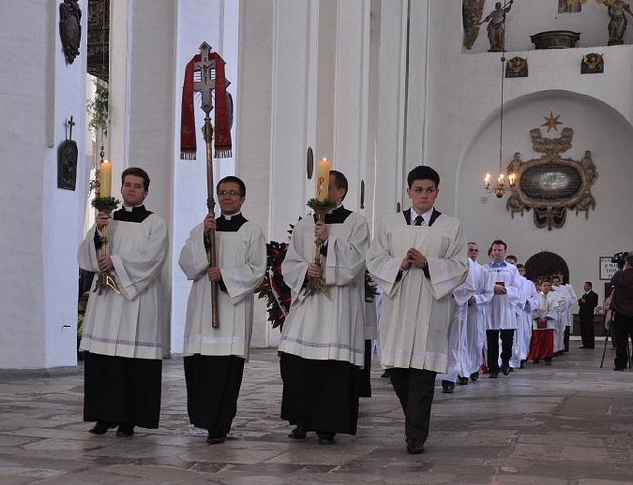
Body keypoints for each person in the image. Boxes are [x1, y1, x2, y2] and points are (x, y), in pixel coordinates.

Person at [366, 165, 468, 455]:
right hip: (398, 307)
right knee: (398, 373)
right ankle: (414, 420)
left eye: (430, 190)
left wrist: (428, 264)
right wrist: (399, 263)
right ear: (409, 191)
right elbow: (374, 259)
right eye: (418, 190)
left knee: (423, 376)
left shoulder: (451, 226)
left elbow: (461, 266)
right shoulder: (389, 224)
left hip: (430, 307)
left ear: (437, 192)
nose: (424, 195)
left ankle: (415, 436)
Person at [279, 170, 369, 446]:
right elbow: (289, 262)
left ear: (341, 191)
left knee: (332, 368)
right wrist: (306, 270)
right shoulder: (305, 224)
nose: (323, 194)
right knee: (297, 362)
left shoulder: (356, 222)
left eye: (328, 188)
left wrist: (329, 241)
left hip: (337, 310)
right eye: (320, 188)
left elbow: (355, 263)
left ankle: (327, 426)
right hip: (308, 305)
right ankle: (302, 420)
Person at [77, 167, 168, 437]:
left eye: (137, 186)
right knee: (105, 361)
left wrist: (115, 261)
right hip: (107, 301)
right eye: (127, 184)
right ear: (120, 189)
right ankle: (104, 417)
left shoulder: (155, 223)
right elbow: (85, 255)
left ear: (145, 192)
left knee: (133, 363)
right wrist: (97, 234)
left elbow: (154, 258)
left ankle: (130, 418)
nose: (131, 189)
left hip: (136, 300)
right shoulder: (107, 220)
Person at [179, 176, 266, 444]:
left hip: (232, 312)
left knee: (226, 373)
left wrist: (225, 275)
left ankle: (220, 425)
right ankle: (204, 420)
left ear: (242, 198)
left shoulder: (252, 231)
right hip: (204, 309)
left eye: (232, 193)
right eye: (222, 192)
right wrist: (205, 239)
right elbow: (186, 264)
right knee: (202, 369)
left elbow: (257, 270)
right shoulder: (203, 229)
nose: (226, 197)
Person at [440, 242, 493, 394]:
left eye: (476, 250)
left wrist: (473, 298)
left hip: (465, 308)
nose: (473, 252)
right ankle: (457, 372)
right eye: (471, 250)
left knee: (469, 342)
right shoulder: (445, 263)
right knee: (448, 343)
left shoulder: (479, 270)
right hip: (443, 306)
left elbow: (477, 289)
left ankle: (466, 370)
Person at [483, 240, 521, 378]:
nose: (497, 253)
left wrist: (505, 290)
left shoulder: (512, 269)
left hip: (506, 307)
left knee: (507, 339)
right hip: (491, 308)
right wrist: (492, 288)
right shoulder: (484, 269)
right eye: (494, 250)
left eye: (500, 250)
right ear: (491, 251)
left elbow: (517, 288)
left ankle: (505, 361)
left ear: (505, 251)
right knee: (491, 339)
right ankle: (493, 368)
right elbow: (481, 287)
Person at [610, 252, 633, 371]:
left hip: (622, 312)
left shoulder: (619, 275)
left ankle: (621, 364)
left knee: (621, 340)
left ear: (626, 264)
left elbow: (613, 282)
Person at [529, 277, 561, 366]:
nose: (546, 287)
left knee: (548, 340)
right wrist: (538, 318)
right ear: (540, 286)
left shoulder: (553, 296)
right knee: (537, 340)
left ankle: (548, 357)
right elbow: (533, 308)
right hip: (537, 321)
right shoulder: (536, 296)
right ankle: (536, 356)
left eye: (548, 286)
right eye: (544, 285)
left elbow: (554, 308)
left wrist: (546, 318)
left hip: (549, 321)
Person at [511, 263, 538, 370]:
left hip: (525, 313)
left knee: (525, 336)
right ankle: (511, 358)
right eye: (518, 271)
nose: (520, 273)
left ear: (525, 272)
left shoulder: (529, 283)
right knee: (512, 337)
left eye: (522, 271)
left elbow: (535, 298)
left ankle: (522, 357)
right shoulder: (512, 282)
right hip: (513, 312)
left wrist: (527, 302)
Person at [552, 273, 577, 355]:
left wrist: (565, 304)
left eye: (557, 281)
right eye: (554, 281)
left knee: (561, 332)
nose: (556, 283)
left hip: (563, 313)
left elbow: (569, 299)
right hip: (554, 313)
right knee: (555, 333)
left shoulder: (565, 288)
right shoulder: (551, 289)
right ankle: (554, 349)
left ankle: (560, 348)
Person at [578, 281, 599, 349]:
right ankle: (585, 343)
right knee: (583, 330)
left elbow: (594, 304)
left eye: (586, 286)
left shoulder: (594, 295)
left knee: (589, 330)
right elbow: (581, 305)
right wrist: (580, 301)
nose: (584, 287)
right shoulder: (584, 295)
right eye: (584, 286)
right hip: (583, 315)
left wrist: (585, 301)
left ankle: (590, 344)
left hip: (588, 315)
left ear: (590, 286)